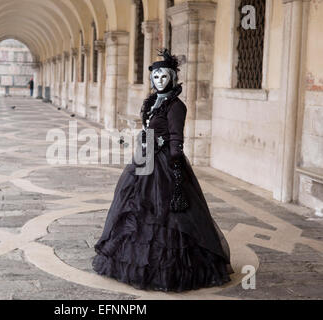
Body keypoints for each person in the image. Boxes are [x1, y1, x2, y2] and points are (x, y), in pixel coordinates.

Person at [92, 49, 234, 292]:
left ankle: (170, 269)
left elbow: (177, 137)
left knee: (167, 214)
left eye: (163, 77)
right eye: (155, 77)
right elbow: (149, 128)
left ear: (172, 78)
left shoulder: (176, 106)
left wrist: (174, 161)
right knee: (136, 208)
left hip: (165, 164)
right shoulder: (153, 102)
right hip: (145, 160)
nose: (159, 81)